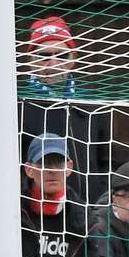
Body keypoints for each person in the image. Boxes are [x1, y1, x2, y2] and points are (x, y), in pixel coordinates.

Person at [20, 15, 113, 205]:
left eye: (61, 55)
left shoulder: (91, 103)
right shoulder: (16, 104)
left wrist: (101, 203)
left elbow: (108, 161)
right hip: (34, 215)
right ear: (30, 60)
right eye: (45, 56)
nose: (53, 63)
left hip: (89, 214)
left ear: (73, 59)